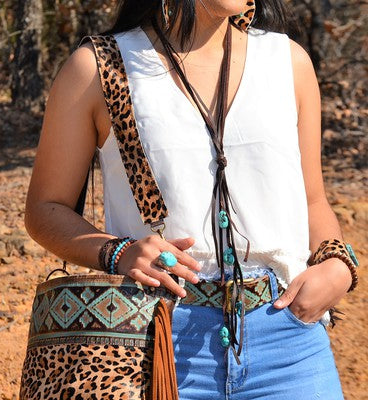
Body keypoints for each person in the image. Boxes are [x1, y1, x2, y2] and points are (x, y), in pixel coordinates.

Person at [24, 0, 358, 398]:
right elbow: (46, 209)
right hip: (156, 340)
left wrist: (337, 263)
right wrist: (118, 252)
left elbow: (312, 200)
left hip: (289, 341)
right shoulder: (98, 68)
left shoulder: (289, 61)